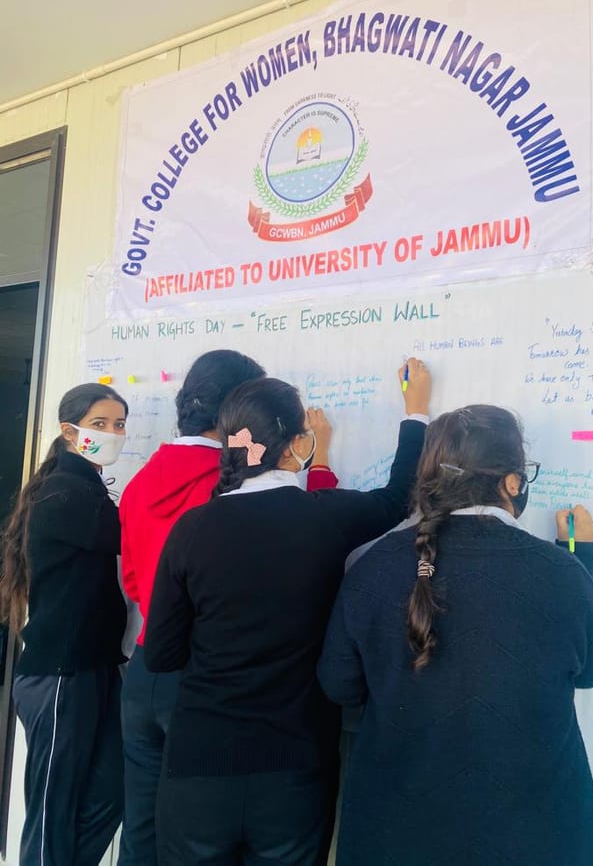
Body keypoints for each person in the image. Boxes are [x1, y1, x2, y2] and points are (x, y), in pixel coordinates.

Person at [143, 359, 430, 866]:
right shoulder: (328, 518)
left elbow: (162, 655)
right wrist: (415, 412)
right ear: (298, 443)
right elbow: (397, 499)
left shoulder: (192, 529)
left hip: (200, 764)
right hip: (294, 765)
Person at [318, 404, 593, 866]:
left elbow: (339, 684)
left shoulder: (371, 566)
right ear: (512, 482)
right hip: (538, 835)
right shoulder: (563, 571)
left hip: (396, 832)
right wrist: (581, 558)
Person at [117, 349, 337, 866]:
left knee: (142, 834)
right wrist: (320, 463)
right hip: (203, 688)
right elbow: (301, 527)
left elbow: (132, 579)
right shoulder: (226, 486)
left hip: (144, 671)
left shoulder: (142, 478)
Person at [0, 383, 129, 866]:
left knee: (114, 788)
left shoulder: (85, 485)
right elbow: (128, 537)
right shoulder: (65, 492)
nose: (112, 433)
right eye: (99, 424)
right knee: (51, 812)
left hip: (94, 668)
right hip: (60, 674)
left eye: (119, 424)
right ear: (69, 430)